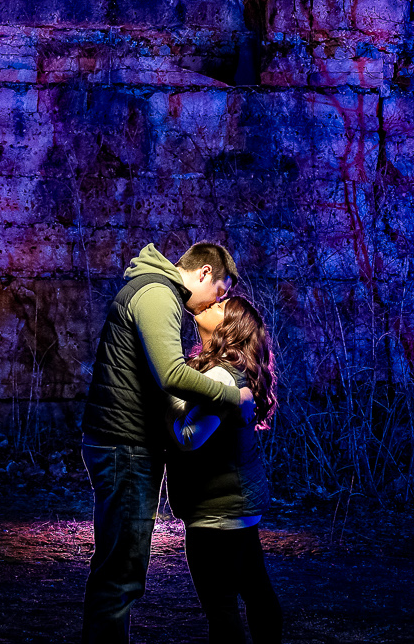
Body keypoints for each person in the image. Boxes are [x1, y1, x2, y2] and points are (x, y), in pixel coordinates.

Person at [81, 242, 255, 644]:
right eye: (221, 291)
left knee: (118, 570)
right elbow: (172, 375)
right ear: (205, 273)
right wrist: (234, 396)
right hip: (124, 445)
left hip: (122, 443)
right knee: (121, 576)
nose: (219, 302)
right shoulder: (159, 294)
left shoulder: (155, 290)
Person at [168, 295, 282, 644]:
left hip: (218, 516)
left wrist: (161, 389)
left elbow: (188, 437)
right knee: (260, 599)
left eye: (220, 306)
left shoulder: (220, 374)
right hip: (236, 512)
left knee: (223, 614)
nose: (210, 304)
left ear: (228, 328)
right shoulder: (224, 369)